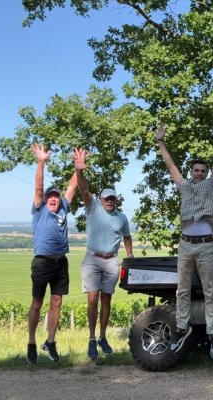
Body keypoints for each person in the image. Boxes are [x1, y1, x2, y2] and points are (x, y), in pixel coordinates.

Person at [154, 116, 213, 359]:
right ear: (191, 172)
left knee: (210, 291)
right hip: (186, 244)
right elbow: (170, 166)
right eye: (196, 170)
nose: (199, 173)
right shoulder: (185, 186)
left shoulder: (211, 186)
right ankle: (181, 328)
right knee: (182, 290)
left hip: (206, 246)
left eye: (202, 171)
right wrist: (161, 142)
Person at [72, 148, 134, 359]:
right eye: (106, 198)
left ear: (116, 200)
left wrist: (129, 255)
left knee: (106, 299)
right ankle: (91, 338)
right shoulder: (93, 208)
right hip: (92, 259)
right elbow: (83, 189)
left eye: (112, 198)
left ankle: (102, 337)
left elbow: (127, 237)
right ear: (100, 199)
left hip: (111, 262)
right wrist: (79, 170)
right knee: (92, 297)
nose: (109, 201)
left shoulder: (121, 217)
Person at [27, 143, 78, 364]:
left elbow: (73, 186)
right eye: (51, 196)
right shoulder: (39, 209)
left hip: (60, 263)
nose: (53, 199)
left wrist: (78, 168)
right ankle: (31, 343)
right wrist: (41, 162)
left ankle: (50, 341)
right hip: (42, 263)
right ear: (46, 199)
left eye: (56, 196)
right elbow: (39, 187)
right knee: (37, 302)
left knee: (56, 302)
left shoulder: (64, 208)